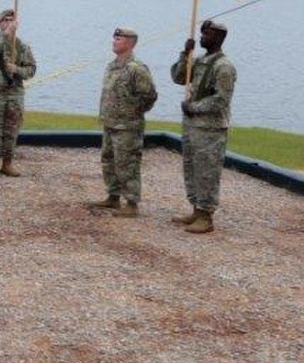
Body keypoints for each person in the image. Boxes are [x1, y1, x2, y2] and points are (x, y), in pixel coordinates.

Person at [169, 19, 238, 233]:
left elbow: (221, 100)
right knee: (192, 169)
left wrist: (194, 107)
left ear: (218, 37)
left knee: (207, 171)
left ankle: (206, 215)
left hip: (210, 129)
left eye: (206, 34)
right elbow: (179, 78)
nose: (202, 37)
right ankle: (196, 209)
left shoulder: (223, 67)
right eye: (202, 33)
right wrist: (185, 54)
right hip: (193, 127)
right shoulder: (200, 61)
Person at [88, 27, 158, 217]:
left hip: (128, 126)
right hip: (110, 123)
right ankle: (113, 196)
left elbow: (149, 96)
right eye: (115, 38)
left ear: (129, 42)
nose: (114, 41)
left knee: (127, 163)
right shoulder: (112, 66)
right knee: (109, 160)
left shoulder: (136, 68)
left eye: (119, 38)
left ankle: (132, 203)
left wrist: (133, 113)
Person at [0, 8, 37, 177]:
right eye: (5, 21)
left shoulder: (22, 46)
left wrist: (17, 69)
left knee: (11, 129)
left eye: (11, 21)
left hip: (14, 92)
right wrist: (6, 35)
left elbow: (31, 69)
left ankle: (7, 163)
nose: (8, 23)